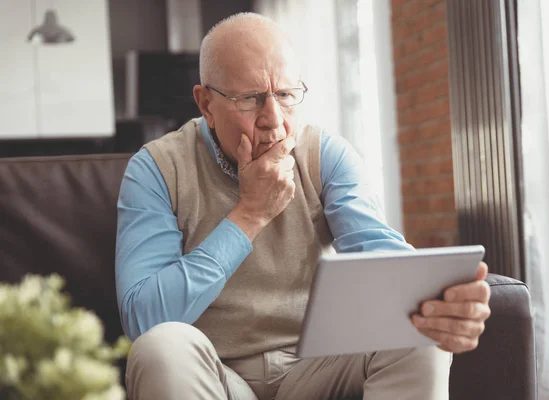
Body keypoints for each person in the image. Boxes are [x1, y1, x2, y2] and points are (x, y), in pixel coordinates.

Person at [115, 12, 491, 400]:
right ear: (206, 104)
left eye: (285, 95)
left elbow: (385, 264)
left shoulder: (327, 155)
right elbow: (144, 318)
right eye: (250, 99)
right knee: (159, 347)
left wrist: (442, 309)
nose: (274, 121)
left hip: (318, 368)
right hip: (215, 376)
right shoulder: (156, 168)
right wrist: (249, 215)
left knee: (418, 335)